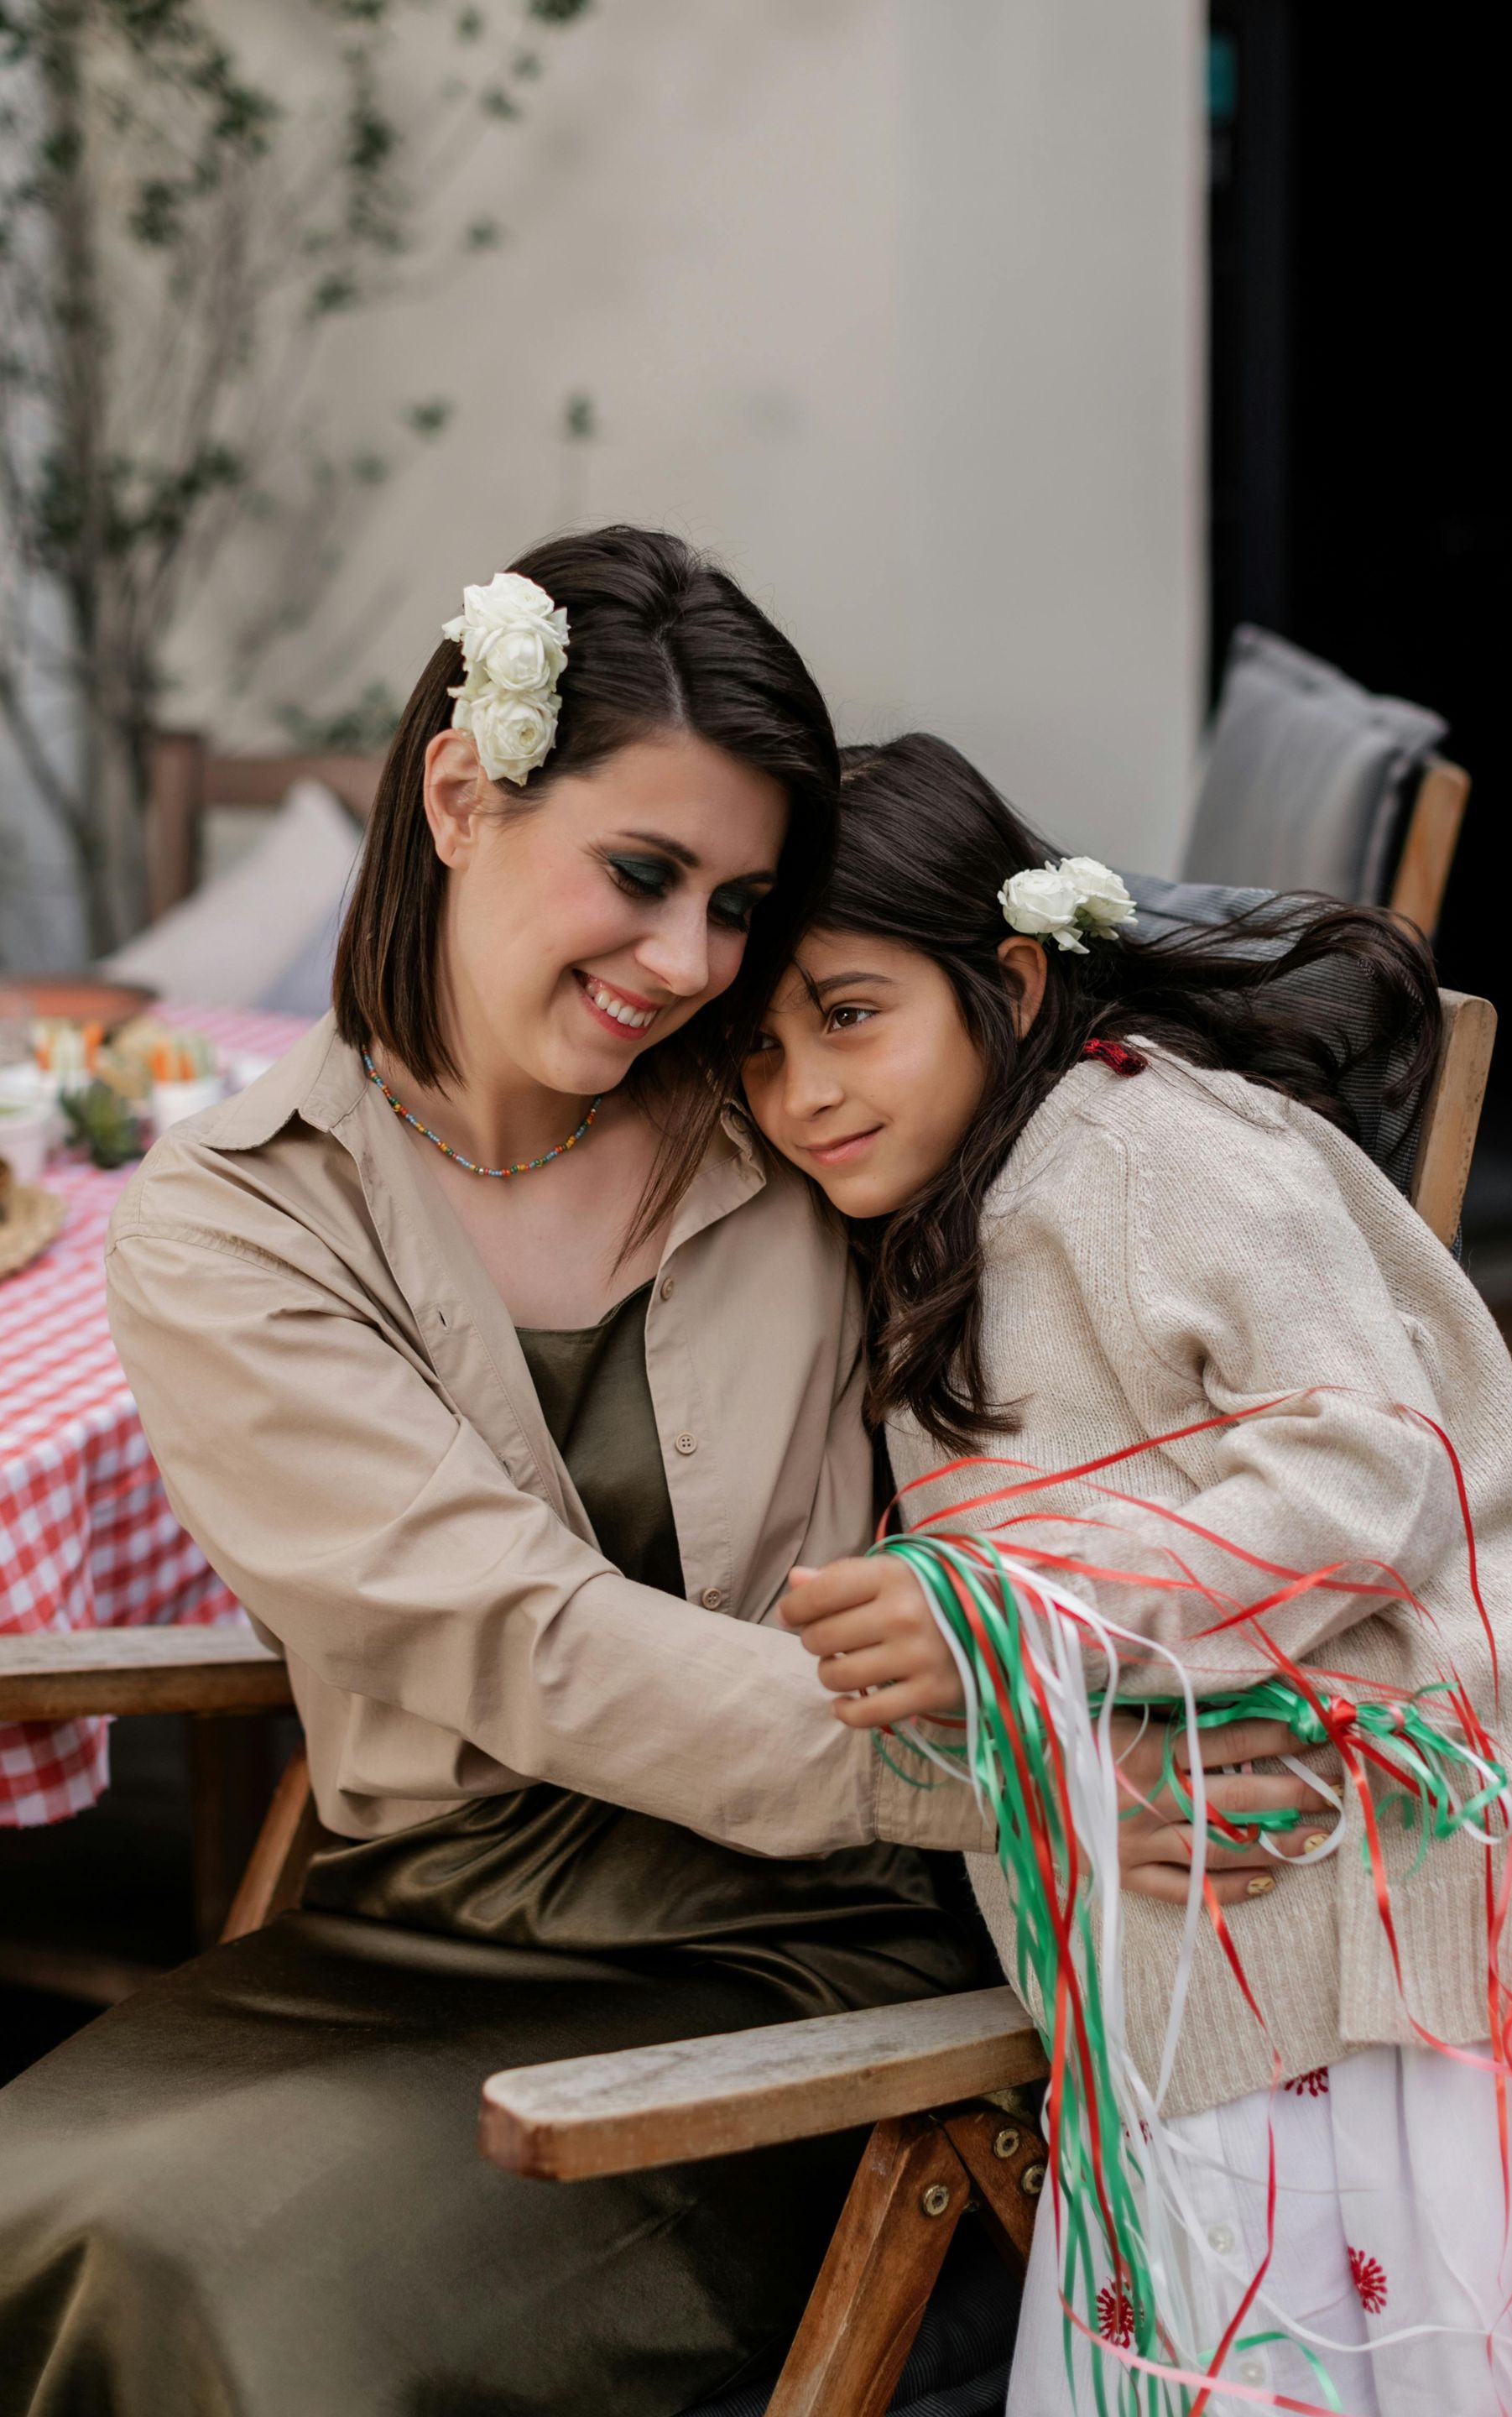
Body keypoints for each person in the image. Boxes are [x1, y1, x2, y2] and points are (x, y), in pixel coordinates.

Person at [0, 536, 988, 2417]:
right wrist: (1027, 1764)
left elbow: (1105, 1236)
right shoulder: (238, 1219)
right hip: (428, 1929)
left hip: (807, 1947)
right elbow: (518, 1636)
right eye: (641, 876)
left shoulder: (800, 1113)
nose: (690, 963)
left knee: (216, 2293)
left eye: (737, 904)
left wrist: (1120, 1713)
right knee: (36, 2215)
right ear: (460, 792)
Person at [748, 732, 1512, 2416]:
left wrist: (1013, 1616)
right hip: (1206, 1995)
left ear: (1004, 981)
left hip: (1431, 1958)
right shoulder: (930, 1231)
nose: (805, 1096)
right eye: (759, 1058)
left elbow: (1369, 1472)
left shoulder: (1150, 1150)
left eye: (846, 1016)